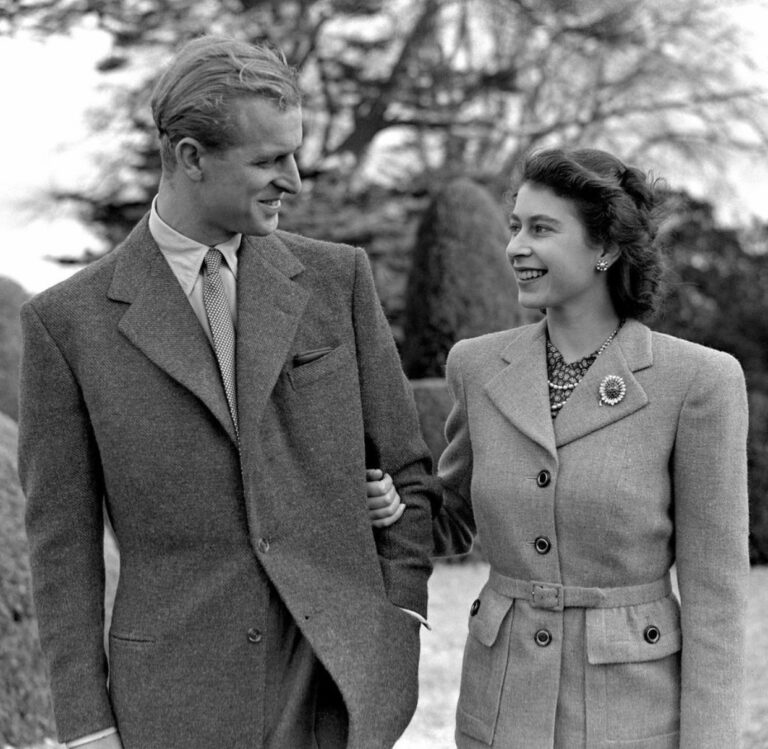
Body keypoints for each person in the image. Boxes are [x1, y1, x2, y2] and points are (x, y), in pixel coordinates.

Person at [18, 35, 438, 749]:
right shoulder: (68, 324)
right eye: (269, 161)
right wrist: (88, 727)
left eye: (295, 154)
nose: (295, 181)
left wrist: (397, 621)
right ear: (188, 156)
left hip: (334, 693)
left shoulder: (339, 281)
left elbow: (408, 473)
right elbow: (63, 549)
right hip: (171, 706)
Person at [367, 148, 749, 748]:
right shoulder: (477, 364)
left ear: (606, 247)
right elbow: (452, 520)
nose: (516, 246)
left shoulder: (697, 381)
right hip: (501, 709)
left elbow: (716, 596)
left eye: (541, 229)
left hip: (634, 719)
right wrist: (396, 507)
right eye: (515, 226)